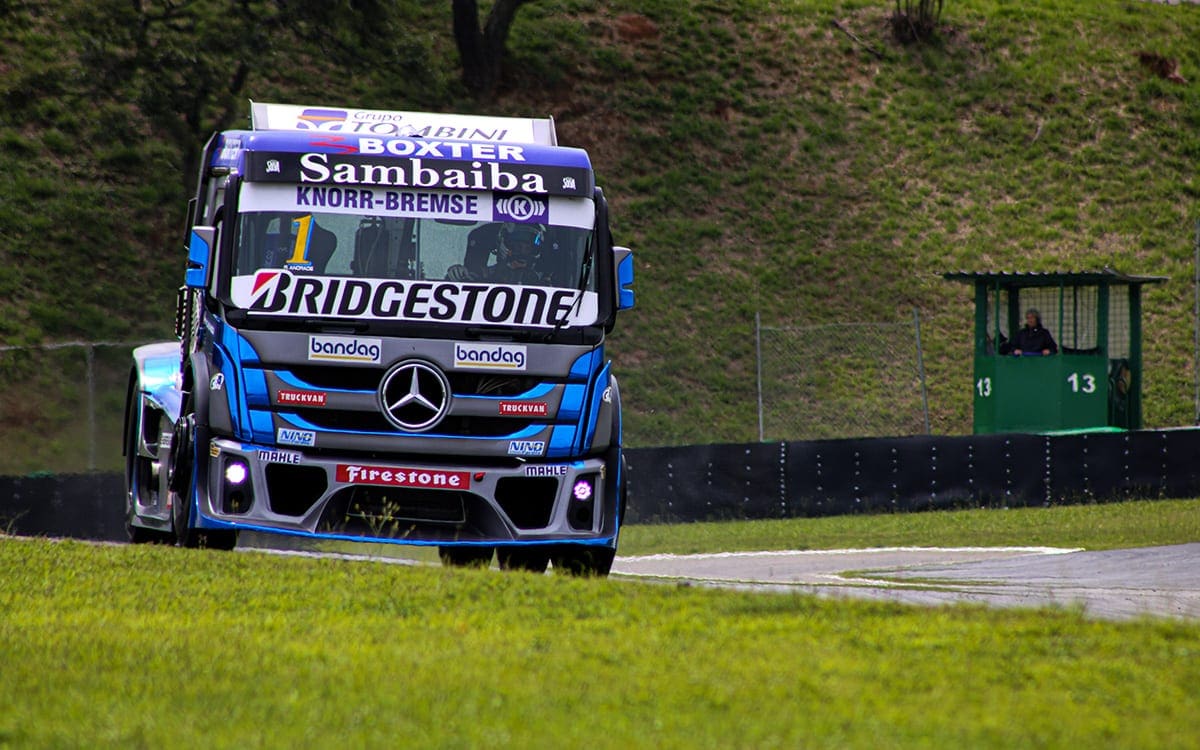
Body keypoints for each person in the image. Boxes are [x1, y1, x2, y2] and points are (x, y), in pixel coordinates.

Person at [447, 223, 545, 284]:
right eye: (517, 247)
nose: (522, 253)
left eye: (528, 248)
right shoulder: (482, 274)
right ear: (502, 243)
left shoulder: (543, 280)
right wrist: (457, 276)